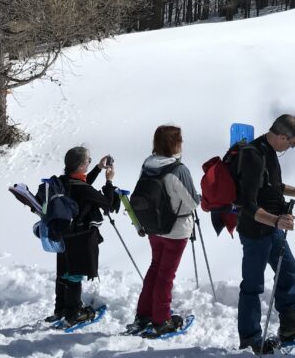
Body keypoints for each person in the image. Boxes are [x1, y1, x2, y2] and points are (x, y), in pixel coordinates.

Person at [236, 114, 295, 353]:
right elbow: (248, 204)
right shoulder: (253, 155)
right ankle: (251, 337)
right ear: (282, 136)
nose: (291, 147)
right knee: (253, 284)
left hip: (272, 228)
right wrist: (276, 220)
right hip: (255, 231)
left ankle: (291, 324)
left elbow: (273, 185)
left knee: (288, 268)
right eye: (292, 143)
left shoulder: (269, 151)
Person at [133, 125, 200, 337]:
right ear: (175, 143)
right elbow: (191, 203)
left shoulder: (147, 165)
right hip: (176, 230)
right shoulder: (178, 169)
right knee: (166, 275)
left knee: (155, 268)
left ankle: (143, 315)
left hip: (153, 226)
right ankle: (161, 320)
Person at [50, 146, 120, 326]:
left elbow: (82, 183)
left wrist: (97, 167)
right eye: (88, 161)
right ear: (81, 165)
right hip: (80, 237)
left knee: (64, 272)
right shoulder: (83, 189)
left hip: (62, 235)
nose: (89, 162)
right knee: (75, 275)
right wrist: (109, 182)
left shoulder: (62, 181)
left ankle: (61, 309)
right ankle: (74, 313)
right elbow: (108, 204)